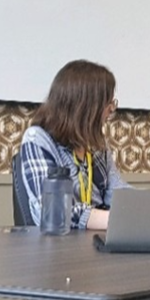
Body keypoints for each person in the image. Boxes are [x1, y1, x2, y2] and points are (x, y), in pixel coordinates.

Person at [18, 60, 125, 230]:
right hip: (58, 248)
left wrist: (148, 208)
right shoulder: (37, 139)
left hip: (98, 239)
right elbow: (52, 211)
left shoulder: (97, 143)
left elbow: (118, 192)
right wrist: (119, 219)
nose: (111, 110)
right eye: (108, 104)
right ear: (87, 107)